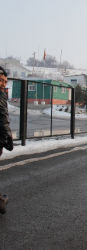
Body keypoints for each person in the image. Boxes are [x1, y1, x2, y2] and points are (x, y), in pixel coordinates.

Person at [0, 66, 13, 214]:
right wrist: (4, 140)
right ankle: (1, 203)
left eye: (5, 81)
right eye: (0, 80)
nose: (3, 84)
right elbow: (3, 119)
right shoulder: (0, 95)